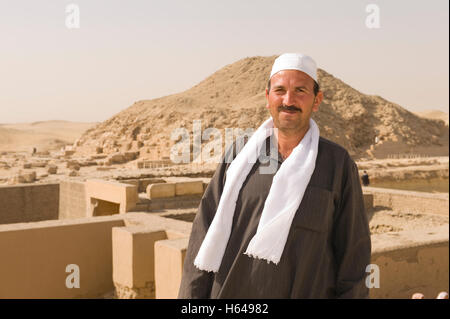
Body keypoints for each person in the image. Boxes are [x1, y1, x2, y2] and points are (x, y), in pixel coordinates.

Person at [178, 53, 371, 299]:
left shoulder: (337, 164)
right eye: (280, 90)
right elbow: (202, 237)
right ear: (267, 97)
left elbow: (354, 256)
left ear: (316, 100)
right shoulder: (239, 157)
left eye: (300, 90)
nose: (288, 100)